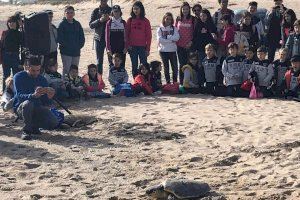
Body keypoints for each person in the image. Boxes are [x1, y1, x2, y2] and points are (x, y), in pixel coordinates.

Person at [13, 56, 58, 140]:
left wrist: (49, 97)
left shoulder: (42, 79)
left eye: (38, 70)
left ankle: (34, 126)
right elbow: (19, 96)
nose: (36, 73)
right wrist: (33, 95)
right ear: (27, 67)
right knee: (28, 103)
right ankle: (26, 131)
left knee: (54, 122)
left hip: (37, 107)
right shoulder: (18, 77)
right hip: (21, 107)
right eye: (33, 70)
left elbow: (45, 102)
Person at [126, 1, 152, 77]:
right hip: (132, 47)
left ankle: (144, 82)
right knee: (134, 66)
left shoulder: (145, 21)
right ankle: (136, 82)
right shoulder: (130, 20)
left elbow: (149, 36)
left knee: (144, 66)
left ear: (141, 9)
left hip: (142, 47)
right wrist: (128, 45)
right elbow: (126, 35)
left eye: (137, 9)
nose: (135, 11)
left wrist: (148, 49)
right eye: (134, 9)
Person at [58, 6, 85, 77]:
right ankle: (66, 85)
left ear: (74, 13)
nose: (70, 14)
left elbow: (82, 37)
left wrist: (79, 46)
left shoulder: (77, 24)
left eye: (71, 13)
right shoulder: (62, 25)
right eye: (68, 13)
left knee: (75, 69)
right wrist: (68, 46)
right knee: (67, 69)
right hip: (66, 52)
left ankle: (75, 83)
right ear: (65, 14)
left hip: (76, 51)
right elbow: (60, 39)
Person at [90, 0, 112, 74]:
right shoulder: (96, 11)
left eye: (105, 0)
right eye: (102, 0)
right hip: (99, 39)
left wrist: (110, 19)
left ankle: (113, 77)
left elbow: (117, 21)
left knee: (111, 60)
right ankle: (99, 80)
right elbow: (91, 25)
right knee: (99, 61)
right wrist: (100, 20)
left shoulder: (111, 10)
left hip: (110, 39)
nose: (104, 1)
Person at [157, 12, 180, 84]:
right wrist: (171, 40)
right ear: (164, 19)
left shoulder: (174, 28)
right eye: (167, 19)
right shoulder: (160, 29)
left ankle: (175, 82)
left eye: (170, 19)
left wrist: (167, 37)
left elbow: (177, 38)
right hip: (163, 51)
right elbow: (160, 40)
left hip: (172, 50)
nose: (168, 20)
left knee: (175, 68)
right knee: (166, 68)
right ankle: (168, 83)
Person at [1, 16, 22, 92]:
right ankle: (5, 92)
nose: (11, 24)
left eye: (13, 22)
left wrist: (22, 61)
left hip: (15, 56)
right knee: (5, 76)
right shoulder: (4, 33)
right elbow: (1, 46)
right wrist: (1, 58)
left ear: (16, 23)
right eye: (9, 22)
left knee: (16, 75)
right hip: (5, 56)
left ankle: (16, 92)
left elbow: (23, 47)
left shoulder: (19, 34)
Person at [175, 2, 195, 84]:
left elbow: (195, 32)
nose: (185, 11)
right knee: (181, 64)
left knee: (189, 64)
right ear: (181, 10)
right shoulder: (178, 18)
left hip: (189, 45)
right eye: (183, 9)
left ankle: (189, 82)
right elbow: (175, 30)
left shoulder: (193, 19)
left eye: (187, 9)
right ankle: (182, 82)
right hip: (179, 45)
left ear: (189, 10)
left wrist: (191, 42)